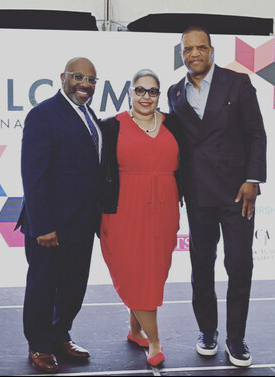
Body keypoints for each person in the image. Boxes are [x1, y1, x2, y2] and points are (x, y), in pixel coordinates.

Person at [168, 26, 267, 367]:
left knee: (239, 265)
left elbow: (256, 133)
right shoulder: (174, 93)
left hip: (237, 193)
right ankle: (207, 330)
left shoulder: (237, 83)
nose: (193, 54)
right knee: (201, 267)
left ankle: (236, 339)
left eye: (200, 48)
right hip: (197, 195)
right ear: (181, 55)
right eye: (187, 49)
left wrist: (252, 179)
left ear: (212, 51)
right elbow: (178, 145)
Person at [16, 57, 102, 373]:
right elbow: (33, 175)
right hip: (50, 225)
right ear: (63, 77)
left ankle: (59, 335)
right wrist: (43, 225)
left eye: (91, 80)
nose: (85, 84)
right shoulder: (43, 115)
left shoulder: (89, 115)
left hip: (81, 224)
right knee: (43, 286)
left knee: (73, 286)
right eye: (78, 77)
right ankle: (39, 344)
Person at [100, 69, 183, 367]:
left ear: (160, 96)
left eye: (152, 91)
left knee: (152, 273)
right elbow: (97, 171)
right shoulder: (110, 127)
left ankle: (136, 330)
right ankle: (155, 340)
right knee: (133, 271)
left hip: (164, 208)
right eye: (140, 90)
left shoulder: (175, 124)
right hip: (123, 210)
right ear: (130, 92)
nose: (146, 96)